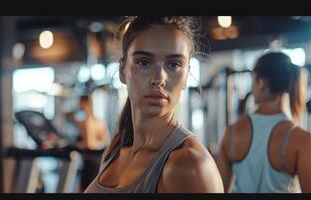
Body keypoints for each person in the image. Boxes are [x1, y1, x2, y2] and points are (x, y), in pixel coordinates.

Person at [84, 16, 223, 193]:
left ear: (186, 75)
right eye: (144, 62)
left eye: (173, 65)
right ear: (122, 71)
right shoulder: (115, 153)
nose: (159, 79)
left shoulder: (188, 164)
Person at [217, 52, 311, 193]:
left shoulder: (231, 133)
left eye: (253, 79)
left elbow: (218, 190)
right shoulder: (303, 140)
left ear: (261, 83)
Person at [65, 94, 110, 191]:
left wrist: (76, 145)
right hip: (97, 160)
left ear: (85, 104)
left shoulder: (87, 122)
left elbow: (90, 144)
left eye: (81, 103)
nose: (80, 106)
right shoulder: (99, 122)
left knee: (86, 188)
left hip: (90, 161)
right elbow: (107, 142)